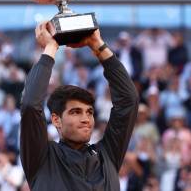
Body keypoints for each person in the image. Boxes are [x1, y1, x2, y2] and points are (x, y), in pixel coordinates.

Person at [20, 22, 139, 191]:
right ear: (56, 119)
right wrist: (51, 48)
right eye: (76, 112)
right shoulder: (42, 158)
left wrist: (98, 45)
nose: (86, 119)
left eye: (89, 112)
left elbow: (129, 100)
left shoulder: (108, 155)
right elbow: (31, 105)